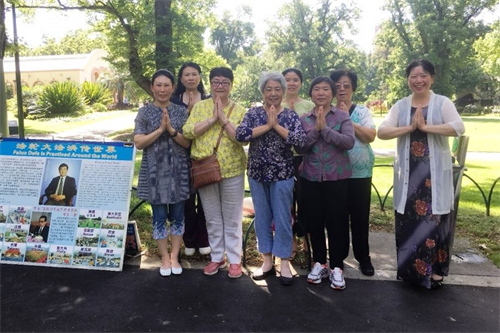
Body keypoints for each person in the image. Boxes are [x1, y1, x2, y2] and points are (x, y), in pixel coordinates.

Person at [377, 59, 465, 289]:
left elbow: (458, 127)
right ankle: (410, 272)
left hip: (434, 178)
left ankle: (434, 271)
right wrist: (409, 128)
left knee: (433, 222)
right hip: (409, 178)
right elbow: (383, 131)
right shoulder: (401, 106)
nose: (418, 80)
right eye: (414, 76)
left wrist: (426, 128)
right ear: (408, 79)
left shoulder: (442, 103)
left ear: (432, 78)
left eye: (423, 75)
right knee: (409, 221)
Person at [235, 72, 306, 286]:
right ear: (262, 92)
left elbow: (300, 141)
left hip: (282, 174)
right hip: (257, 173)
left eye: (277, 89)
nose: (273, 93)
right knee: (263, 217)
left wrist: (277, 126)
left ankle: (284, 262)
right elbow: (240, 135)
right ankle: (266, 260)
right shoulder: (254, 113)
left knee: (283, 218)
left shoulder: (290, 116)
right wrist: (266, 126)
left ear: (283, 92)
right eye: (268, 89)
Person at [183, 67, 247, 279]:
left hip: (232, 170)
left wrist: (224, 119)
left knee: (232, 217)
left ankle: (235, 260)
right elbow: (188, 131)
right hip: (205, 168)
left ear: (231, 85)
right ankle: (217, 256)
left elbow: (242, 138)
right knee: (211, 216)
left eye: (225, 82)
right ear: (210, 83)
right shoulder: (200, 107)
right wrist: (212, 119)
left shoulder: (240, 110)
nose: (220, 86)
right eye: (216, 82)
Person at [296, 76, 355, 290]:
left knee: (337, 222)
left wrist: (326, 130)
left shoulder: (342, 116)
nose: (321, 93)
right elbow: (300, 147)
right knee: (315, 221)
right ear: (311, 94)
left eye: (325, 89)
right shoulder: (304, 118)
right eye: (316, 89)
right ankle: (319, 262)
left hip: (336, 178)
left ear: (332, 93)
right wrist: (316, 130)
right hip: (310, 177)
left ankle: (337, 266)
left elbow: (348, 142)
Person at [134, 69, 191, 277]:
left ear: (173, 87)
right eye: (158, 85)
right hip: (154, 173)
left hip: (178, 171)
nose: (162, 89)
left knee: (178, 216)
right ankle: (164, 258)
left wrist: (172, 130)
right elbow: (138, 142)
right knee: (158, 218)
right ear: (152, 87)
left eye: (167, 85)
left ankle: (175, 256)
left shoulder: (180, 111)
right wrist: (159, 130)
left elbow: (187, 143)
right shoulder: (144, 112)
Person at [330, 69, 376, 276]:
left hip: (360, 173)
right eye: (337, 85)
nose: (342, 89)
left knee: (360, 217)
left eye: (346, 85)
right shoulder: (326, 112)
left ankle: (363, 257)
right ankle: (337, 258)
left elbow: (369, 136)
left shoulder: (362, 111)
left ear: (353, 89)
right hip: (335, 173)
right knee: (336, 217)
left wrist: (348, 120)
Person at [171, 62, 211, 257]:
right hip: (180, 155)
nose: (190, 78)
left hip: (203, 156)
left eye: (194, 74)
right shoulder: (174, 101)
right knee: (186, 199)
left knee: (205, 199)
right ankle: (189, 240)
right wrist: (188, 113)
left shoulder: (208, 99)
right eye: (186, 74)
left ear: (200, 77)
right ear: (181, 79)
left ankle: (204, 239)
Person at [281, 68, 315, 260]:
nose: (291, 83)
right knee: (286, 202)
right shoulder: (276, 104)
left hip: (305, 158)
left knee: (306, 200)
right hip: (283, 159)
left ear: (301, 83)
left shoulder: (309, 105)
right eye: (287, 80)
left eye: (295, 80)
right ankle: (291, 241)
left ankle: (306, 240)